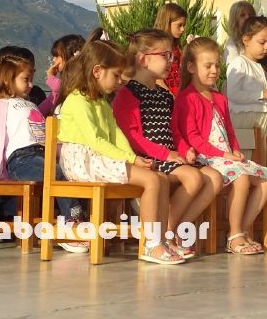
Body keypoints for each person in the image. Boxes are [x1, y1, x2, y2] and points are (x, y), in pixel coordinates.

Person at [57, 40, 183, 264]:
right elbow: (95, 140)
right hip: (83, 162)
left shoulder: (102, 104)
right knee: (152, 180)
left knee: (161, 179)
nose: (119, 81)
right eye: (116, 75)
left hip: (99, 158)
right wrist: (130, 158)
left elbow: (116, 135)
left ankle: (162, 239)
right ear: (97, 71)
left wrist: (134, 159)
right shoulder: (77, 101)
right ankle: (150, 244)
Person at [113, 29, 223, 259]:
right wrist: (166, 154)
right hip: (149, 158)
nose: (171, 61)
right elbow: (132, 137)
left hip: (170, 157)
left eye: (171, 55)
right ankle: (165, 236)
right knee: (193, 177)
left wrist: (184, 150)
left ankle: (169, 233)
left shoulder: (164, 96)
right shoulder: (128, 94)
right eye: (166, 55)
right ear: (144, 59)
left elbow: (174, 131)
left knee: (214, 177)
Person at [0, 56, 87, 252]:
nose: (30, 85)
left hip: (42, 154)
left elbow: (47, 115)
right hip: (21, 160)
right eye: (25, 79)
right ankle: (70, 227)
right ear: (6, 80)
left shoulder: (29, 103)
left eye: (31, 79)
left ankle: (77, 222)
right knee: (56, 174)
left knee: (72, 172)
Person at [172, 37, 267, 255]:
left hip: (225, 158)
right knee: (242, 177)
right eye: (208, 65)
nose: (214, 70)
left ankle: (241, 230)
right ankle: (233, 236)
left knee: (266, 179)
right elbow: (194, 139)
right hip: (205, 158)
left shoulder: (220, 98)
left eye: (217, 65)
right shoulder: (187, 98)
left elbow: (229, 131)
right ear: (191, 67)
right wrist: (224, 154)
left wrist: (235, 150)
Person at [225, 15, 267, 158]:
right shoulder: (239, 63)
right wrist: (262, 94)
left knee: (260, 159)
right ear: (246, 40)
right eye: (262, 42)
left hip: (261, 123)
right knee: (246, 158)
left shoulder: (261, 68)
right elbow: (233, 94)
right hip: (245, 123)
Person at [39, 34, 85, 116]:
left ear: (69, 56)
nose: (54, 59)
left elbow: (60, 87)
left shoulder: (77, 82)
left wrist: (50, 77)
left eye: (57, 56)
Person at [154, 3, 187, 96]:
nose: (183, 29)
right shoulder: (157, 48)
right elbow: (158, 80)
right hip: (165, 98)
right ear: (167, 23)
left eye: (184, 25)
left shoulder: (177, 48)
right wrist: (172, 98)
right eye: (179, 25)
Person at [222, 0, 256, 68]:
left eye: (250, 14)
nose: (247, 17)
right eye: (242, 15)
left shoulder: (257, 38)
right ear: (235, 21)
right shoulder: (232, 44)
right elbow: (233, 69)